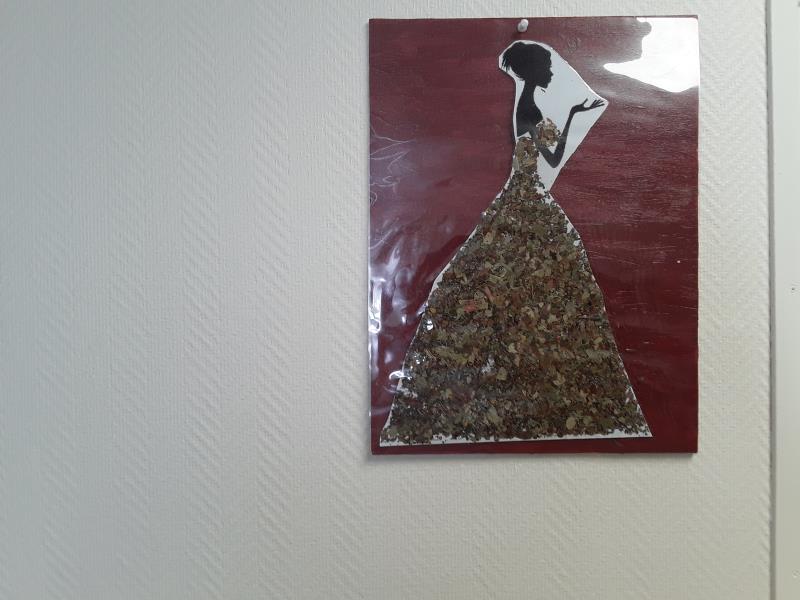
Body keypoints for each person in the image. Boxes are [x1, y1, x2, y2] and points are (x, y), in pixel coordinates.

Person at [380, 41, 650, 445]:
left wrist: (573, 114)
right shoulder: (529, 108)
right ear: (533, 70)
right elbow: (550, 160)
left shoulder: (529, 104)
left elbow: (545, 159)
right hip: (527, 198)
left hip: (527, 196)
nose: (552, 73)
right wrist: (573, 117)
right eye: (547, 66)